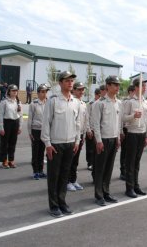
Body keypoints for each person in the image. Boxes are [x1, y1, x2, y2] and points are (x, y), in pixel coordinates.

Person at [41, 71, 82, 218]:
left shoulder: (76, 102)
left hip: (70, 143)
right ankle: (54, 205)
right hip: (56, 144)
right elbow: (46, 123)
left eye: (72, 80)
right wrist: (47, 144)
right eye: (67, 80)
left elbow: (78, 124)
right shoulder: (53, 101)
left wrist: (77, 141)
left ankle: (62, 201)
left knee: (64, 175)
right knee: (54, 176)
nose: (70, 83)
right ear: (60, 83)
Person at [92, 76, 123, 205]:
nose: (117, 87)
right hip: (103, 140)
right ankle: (99, 195)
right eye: (115, 85)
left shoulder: (118, 103)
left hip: (113, 139)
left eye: (118, 85)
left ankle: (106, 192)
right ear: (108, 86)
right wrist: (98, 141)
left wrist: (118, 137)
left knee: (109, 168)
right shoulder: (99, 103)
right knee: (100, 168)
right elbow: (96, 125)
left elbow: (118, 122)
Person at [122, 78, 147, 198]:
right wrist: (133, 116)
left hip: (142, 134)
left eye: (145, 86)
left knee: (137, 162)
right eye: (143, 86)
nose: (145, 88)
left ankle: (136, 185)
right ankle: (129, 188)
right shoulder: (130, 102)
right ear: (137, 88)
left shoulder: (146, 102)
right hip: (132, 133)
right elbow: (123, 118)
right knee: (130, 162)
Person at [67, 82, 87, 192]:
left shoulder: (83, 104)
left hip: (80, 135)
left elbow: (85, 120)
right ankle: (67, 181)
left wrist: (85, 132)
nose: (81, 92)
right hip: (72, 135)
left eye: (82, 90)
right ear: (73, 90)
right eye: (79, 89)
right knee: (69, 160)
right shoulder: (72, 102)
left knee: (75, 160)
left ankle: (73, 180)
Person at [27, 83, 49, 180]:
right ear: (38, 93)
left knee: (41, 151)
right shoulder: (34, 104)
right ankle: (35, 171)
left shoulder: (48, 103)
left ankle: (41, 170)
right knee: (35, 152)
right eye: (42, 92)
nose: (44, 94)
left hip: (44, 131)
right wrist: (30, 132)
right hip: (36, 130)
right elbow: (30, 119)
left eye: (45, 92)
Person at [0, 84, 23, 168]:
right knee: (4, 143)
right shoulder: (4, 101)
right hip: (7, 123)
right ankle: (4, 160)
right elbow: (1, 115)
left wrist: (20, 126)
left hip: (15, 123)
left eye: (16, 91)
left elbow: (20, 115)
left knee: (13, 143)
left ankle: (11, 160)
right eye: (13, 91)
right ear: (8, 91)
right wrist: (1, 127)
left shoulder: (18, 102)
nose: (15, 92)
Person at [120, 85, 135, 180]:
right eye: (134, 91)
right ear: (130, 91)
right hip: (126, 129)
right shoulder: (126, 101)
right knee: (125, 151)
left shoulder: (137, 101)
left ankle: (129, 171)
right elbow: (122, 118)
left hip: (133, 130)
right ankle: (123, 171)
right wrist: (121, 131)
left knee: (130, 152)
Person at [85, 87, 101, 172]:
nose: (100, 97)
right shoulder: (90, 104)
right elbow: (87, 117)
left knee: (96, 148)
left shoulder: (101, 103)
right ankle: (90, 163)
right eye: (99, 95)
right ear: (96, 95)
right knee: (90, 148)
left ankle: (94, 162)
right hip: (91, 129)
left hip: (98, 129)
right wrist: (88, 129)